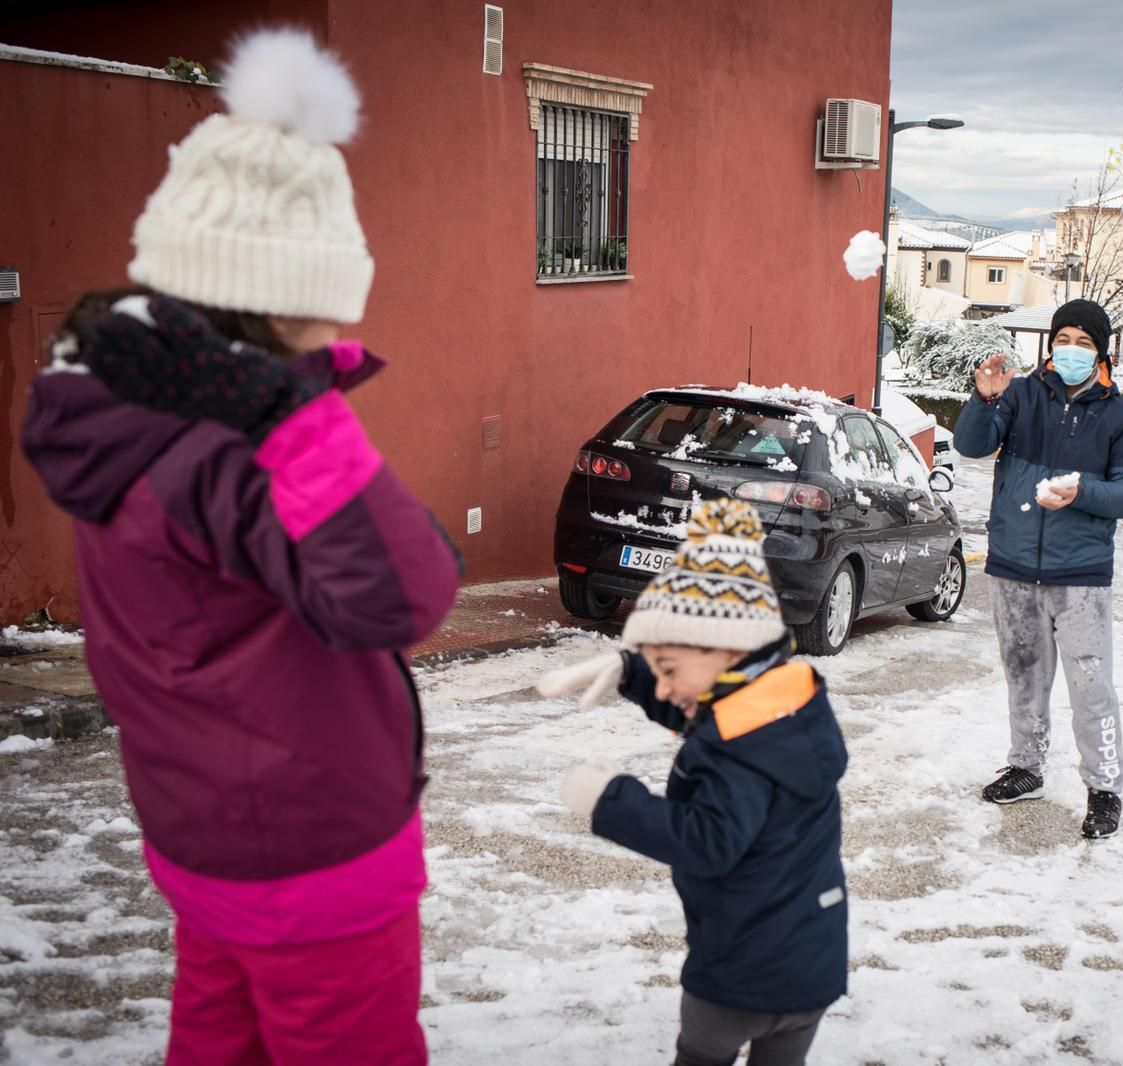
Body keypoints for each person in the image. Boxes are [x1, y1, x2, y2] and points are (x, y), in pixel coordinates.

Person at [22, 29, 461, 1064]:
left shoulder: (117, 402)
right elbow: (408, 592)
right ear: (274, 295)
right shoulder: (235, 437)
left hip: (208, 831)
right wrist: (292, 413)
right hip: (311, 852)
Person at [538, 498, 848, 1066]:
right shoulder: (783, 706)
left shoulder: (738, 751)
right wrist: (631, 673)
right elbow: (705, 716)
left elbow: (707, 841)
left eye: (669, 668)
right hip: (812, 961)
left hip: (742, 970)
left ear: (724, 651)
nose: (669, 684)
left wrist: (611, 802)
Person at [952, 299, 1123, 839]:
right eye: (1064, 338)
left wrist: (1083, 490)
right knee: (1023, 678)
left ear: (1101, 353)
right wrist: (983, 398)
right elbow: (970, 445)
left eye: (1084, 343)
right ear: (1050, 345)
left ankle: (1104, 788)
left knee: (1091, 687)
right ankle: (1026, 767)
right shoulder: (1020, 396)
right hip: (1013, 566)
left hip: (1081, 574)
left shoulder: (1120, 416)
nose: (1072, 350)